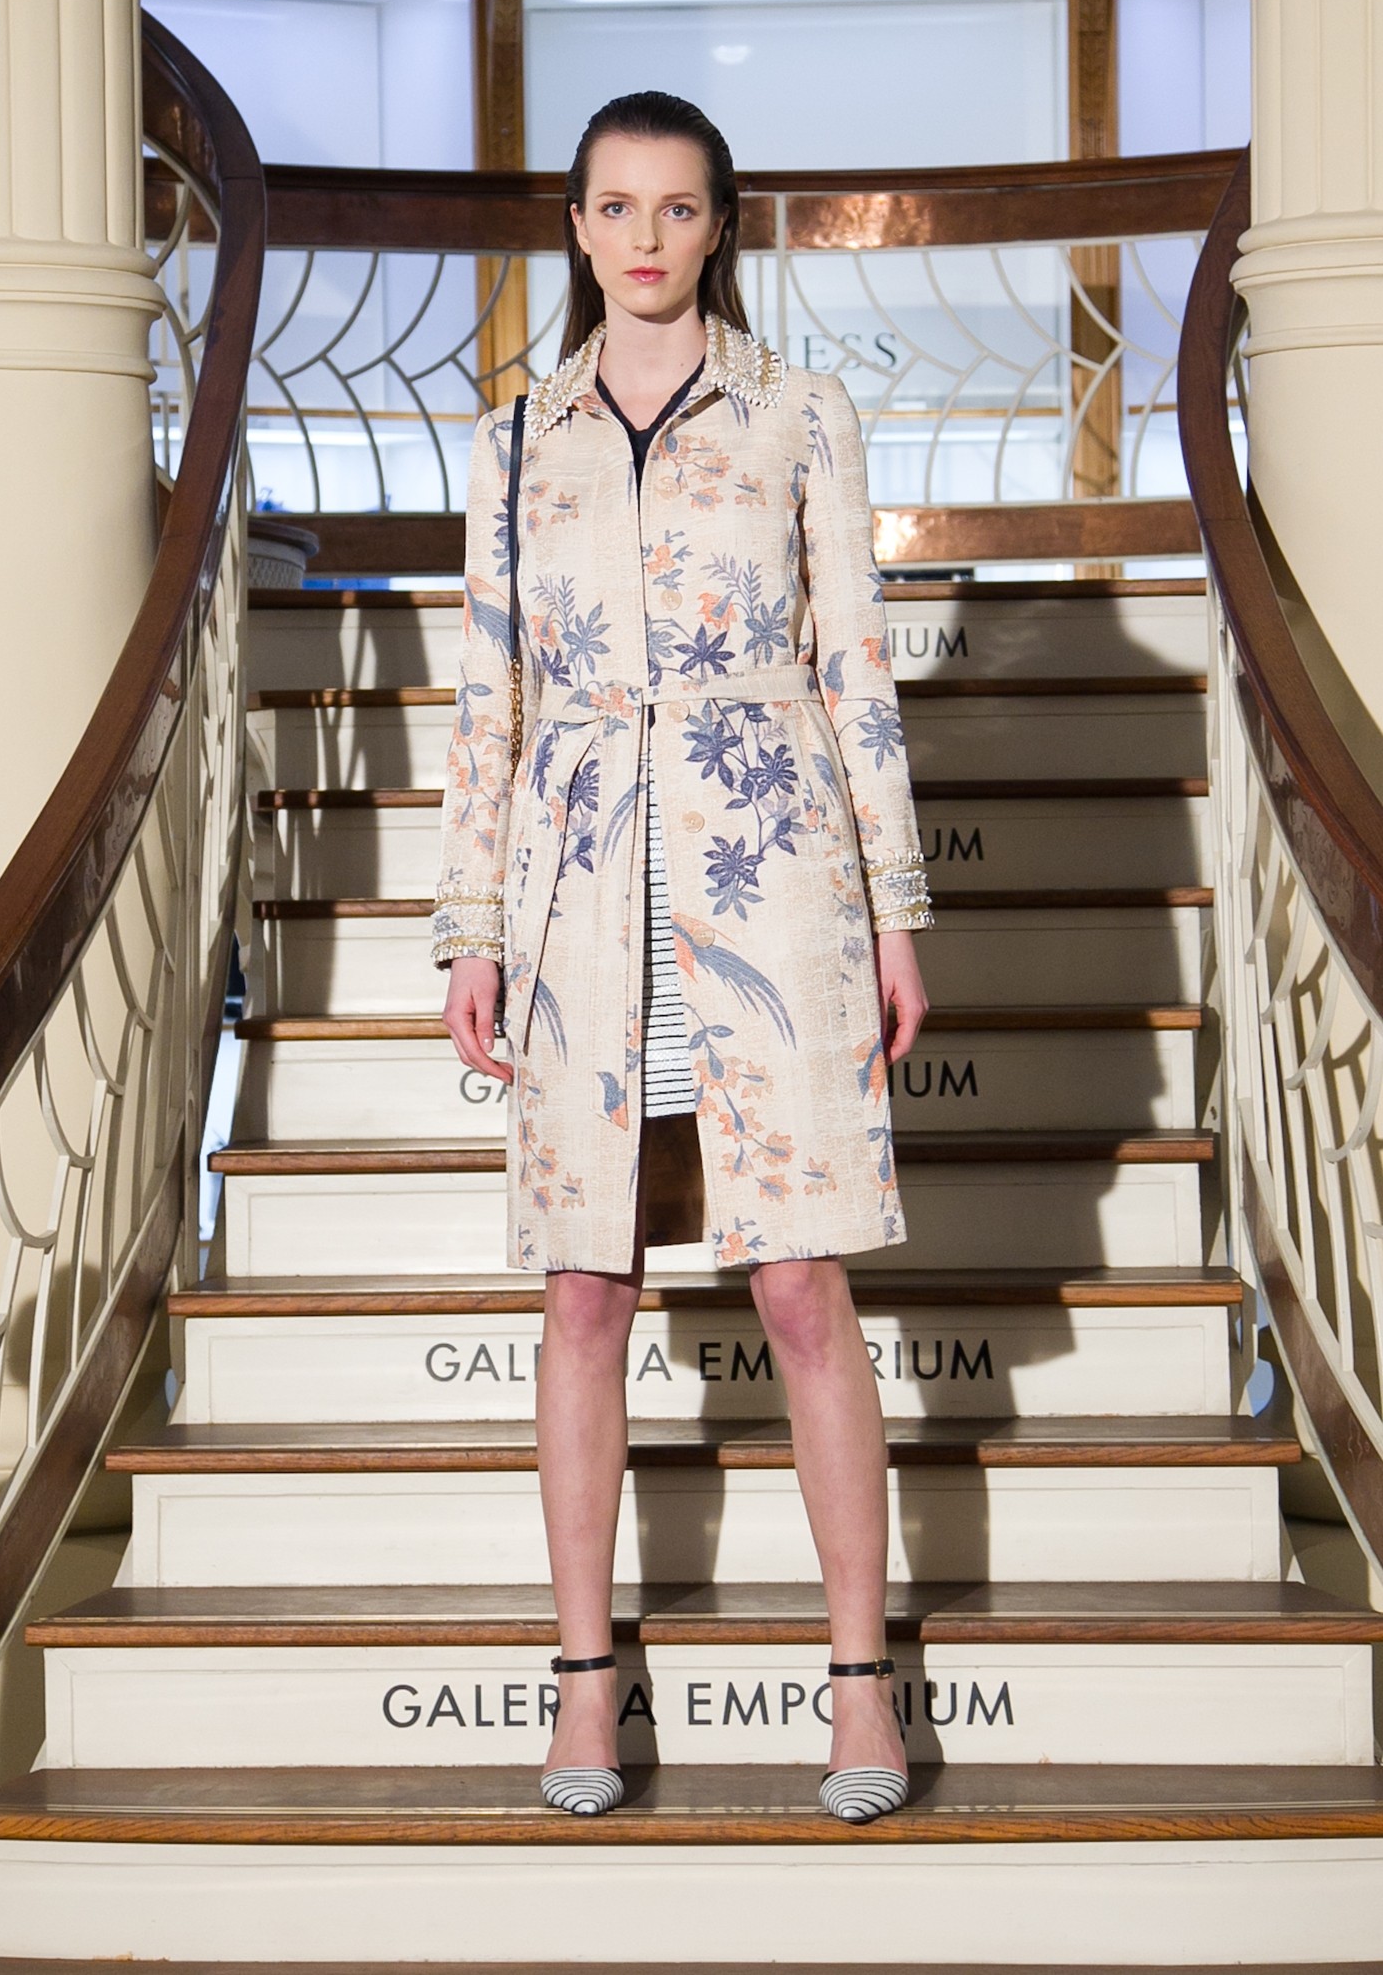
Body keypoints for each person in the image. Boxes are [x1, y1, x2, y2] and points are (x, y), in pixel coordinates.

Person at [434, 91, 931, 1824]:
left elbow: (855, 667)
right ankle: (586, 1681)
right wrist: (471, 928)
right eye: (614, 206)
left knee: (798, 1284)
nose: (644, 237)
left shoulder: (801, 411)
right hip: (581, 888)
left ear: (721, 224)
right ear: (577, 226)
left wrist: (895, 908)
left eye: (677, 207)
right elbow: (487, 696)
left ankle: (859, 1682)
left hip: (768, 873)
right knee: (587, 1287)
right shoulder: (514, 437)